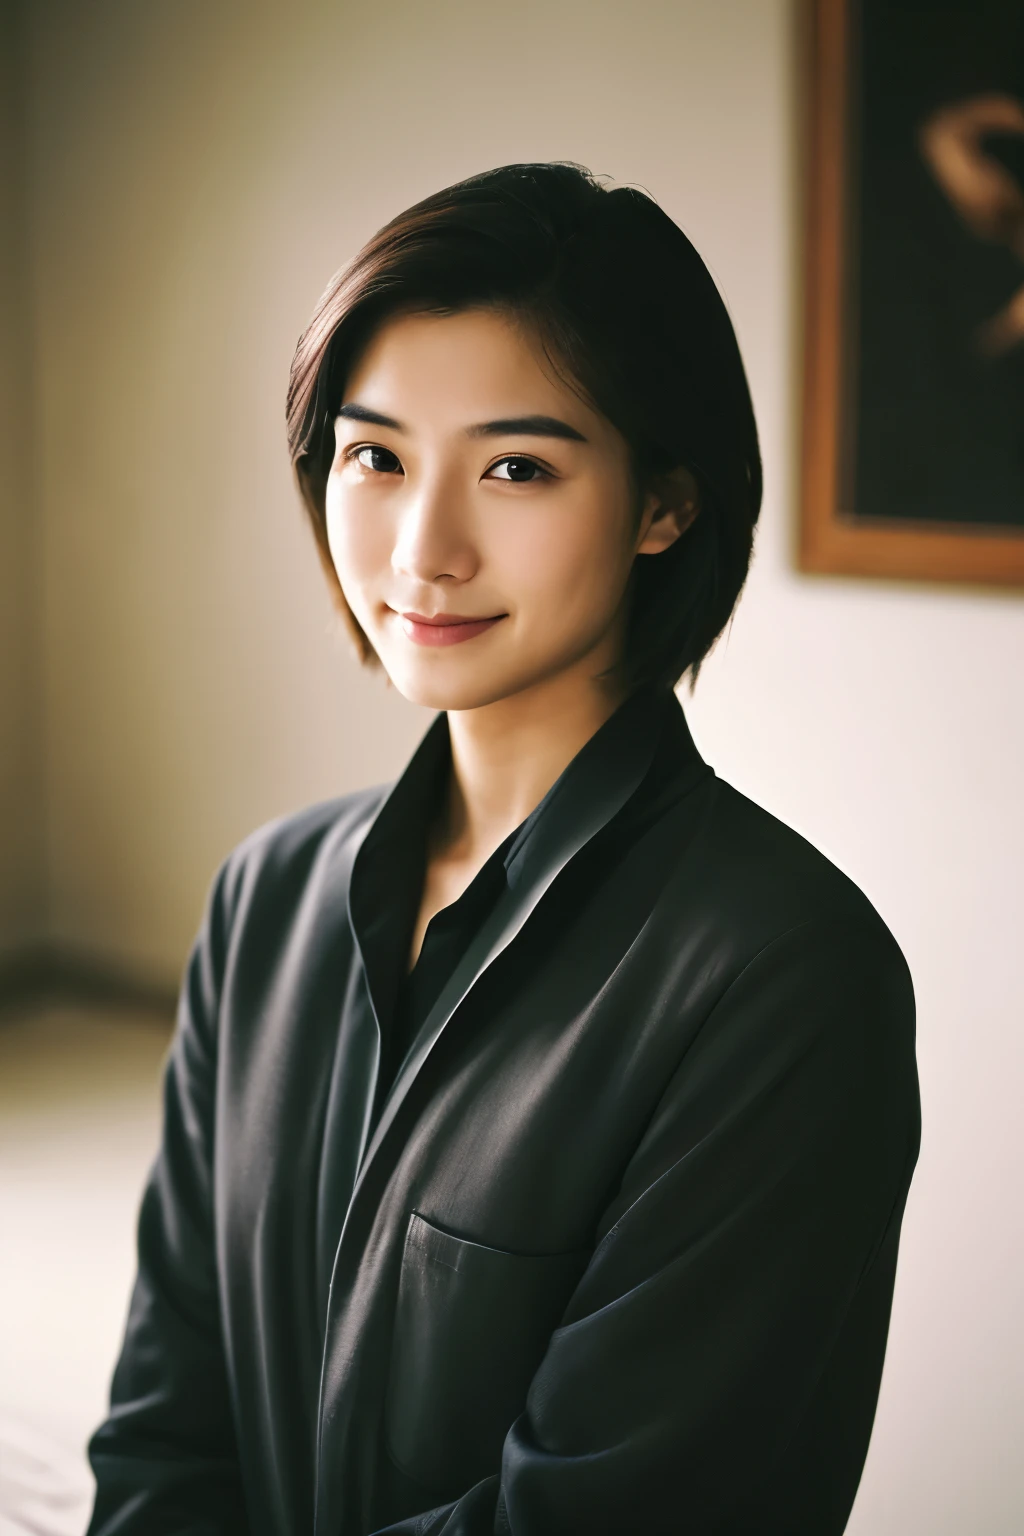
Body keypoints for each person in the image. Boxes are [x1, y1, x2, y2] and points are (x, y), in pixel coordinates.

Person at [85, 163, 920, 1536]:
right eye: (378, 456)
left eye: (516, 467)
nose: (423, 551)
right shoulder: (267, 898)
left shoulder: (786, 979)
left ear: (665, 505)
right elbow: (165, 1423)